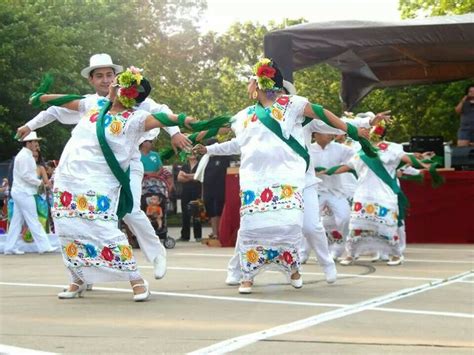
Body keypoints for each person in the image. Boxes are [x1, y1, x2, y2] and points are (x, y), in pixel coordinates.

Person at [195, 58, 368, 294]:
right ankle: (244, 273)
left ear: (258, 85)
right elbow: (237, 142)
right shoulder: (245, 115)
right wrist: (203, 145)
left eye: (249, 82)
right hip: (255, 181)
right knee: (252, 227)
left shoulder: (292, 106)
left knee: (296, 226)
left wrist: (356, 129)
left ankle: (300, 268)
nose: (247, 87)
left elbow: (324, 115)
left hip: (291, 180)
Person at [17, 54, 192, 280]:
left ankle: (156, 253)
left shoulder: (135, 98)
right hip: (95, 170)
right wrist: (29, 126)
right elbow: (55, 110)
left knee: (129, 211)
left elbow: (162, 111)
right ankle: (82, 275)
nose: (105, 80)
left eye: (109, 75)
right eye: (99, 76)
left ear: (117, 77)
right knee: (80, 214)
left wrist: (176, 133)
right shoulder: (89, 103)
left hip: (128, 162)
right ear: (91, 80)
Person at [3, 132, 56, 255]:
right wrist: (40, 183)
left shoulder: (25, 155)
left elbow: (25, 175)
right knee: (33, 219)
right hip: (24, 192)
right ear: (28, 143)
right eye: (34, 141)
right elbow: (26, 175)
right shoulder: (25, 156)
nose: (37, 144)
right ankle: (44, 246)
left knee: (17, 221)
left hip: (21, 191)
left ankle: (10, 247)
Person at [202, 138, 231, 242]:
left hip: (220, 188)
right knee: (210, 211)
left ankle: (218, 233)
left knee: (218, 210)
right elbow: (200, 174)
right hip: (208, 188)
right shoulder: (205, 159)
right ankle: (214, 232)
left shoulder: (224, 158)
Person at [177, 153, 202, 242]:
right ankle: (185, 236)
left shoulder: (200, 164)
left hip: (197, 191)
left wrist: (186, 176)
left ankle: (198, 235)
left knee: (197, 213)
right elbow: (179, 178)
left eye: (194, 153)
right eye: (190, 153)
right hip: (185, 192)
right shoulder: (185, 166)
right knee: (185, 214)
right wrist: (192, 177)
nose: (192, 155)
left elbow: (199, 176)